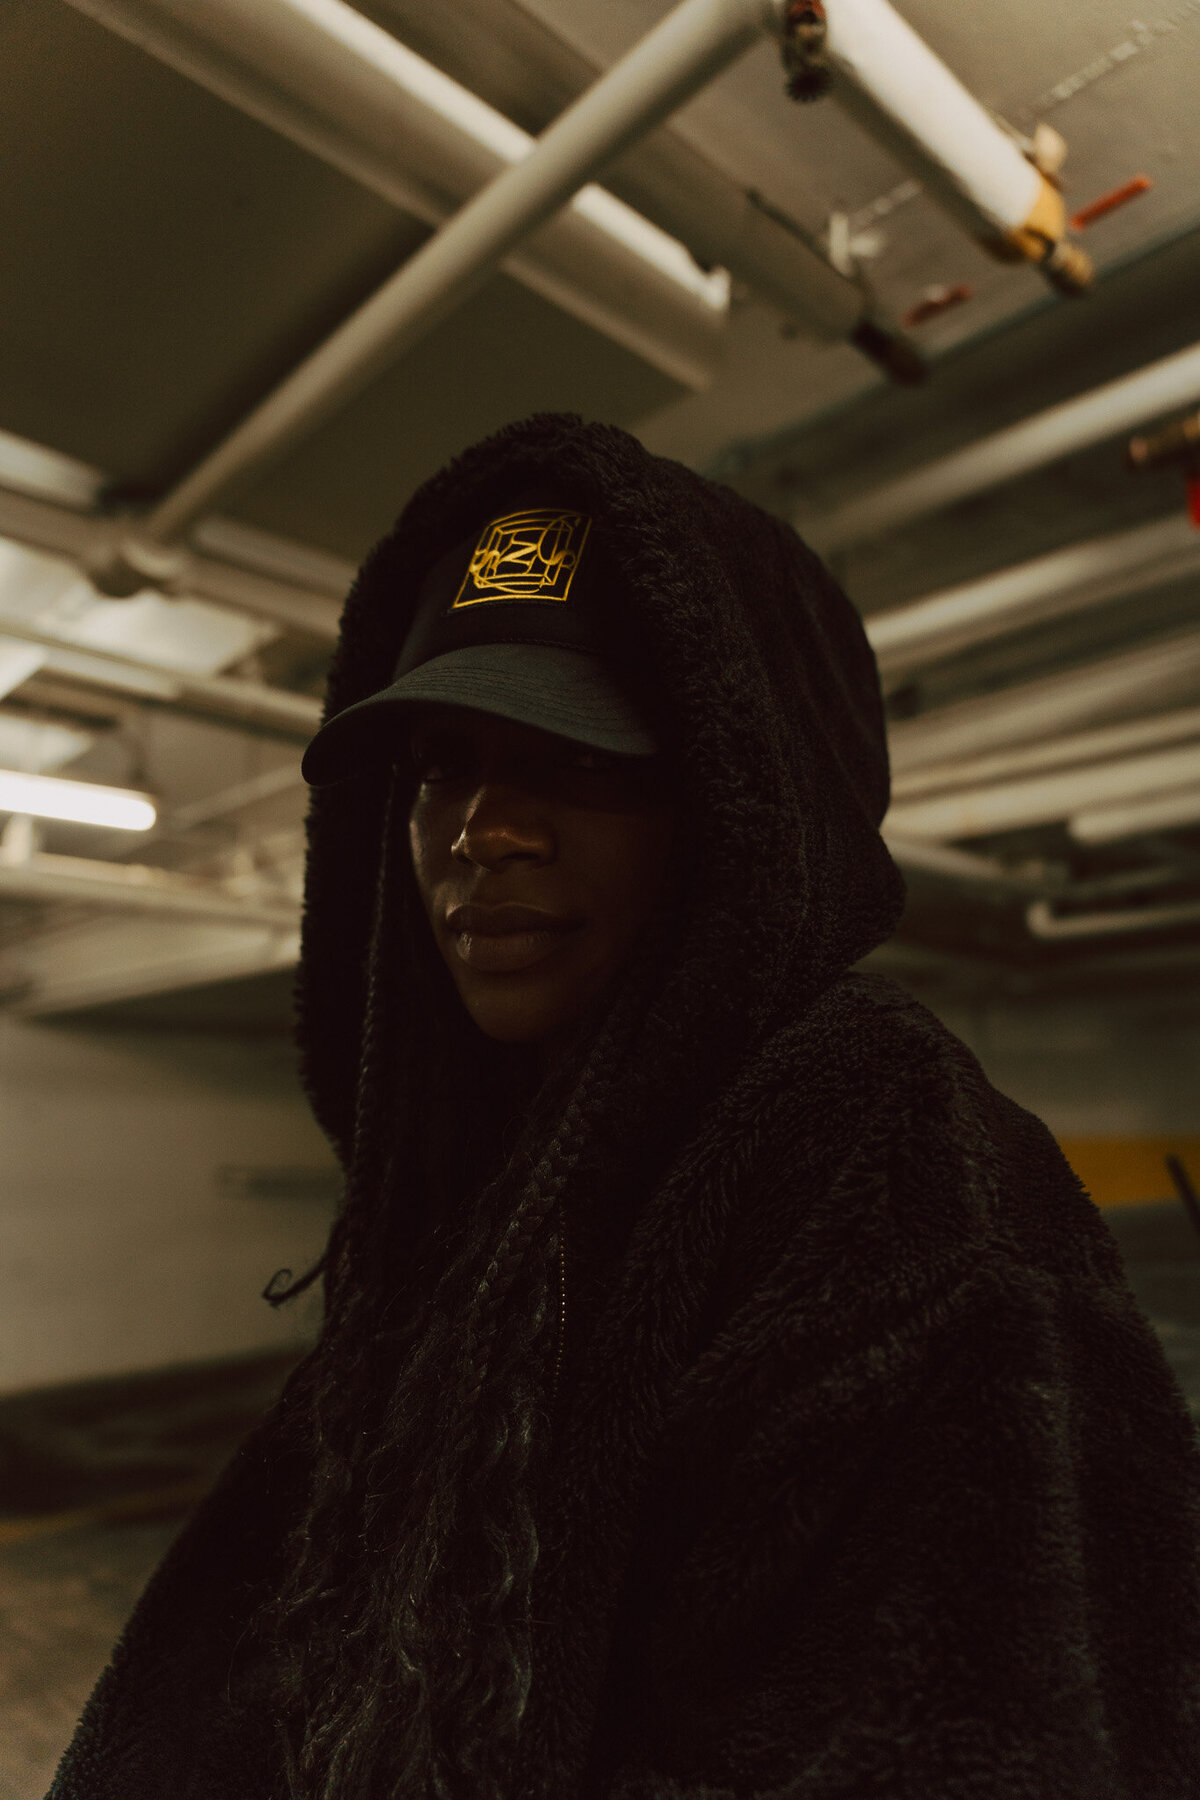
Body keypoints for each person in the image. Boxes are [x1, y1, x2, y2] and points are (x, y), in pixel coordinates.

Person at [48, 414, 1200, 1800]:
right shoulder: (473, 1213)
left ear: (739, 799)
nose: (481, 829)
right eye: (442, 763)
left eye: (582, 757)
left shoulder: (898, 1193)